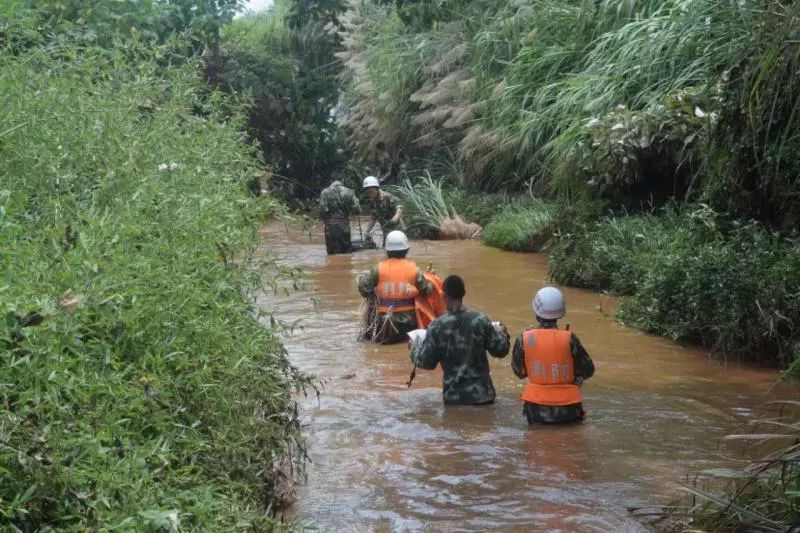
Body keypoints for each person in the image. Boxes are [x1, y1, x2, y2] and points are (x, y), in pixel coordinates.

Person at [410, 275, 510, 405]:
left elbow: (426, 362)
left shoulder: (437, 327)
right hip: (483, 396)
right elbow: (501, 351)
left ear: (443, 296)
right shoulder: (480, 320)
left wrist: (414, 347)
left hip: (454, 399)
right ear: (464, 293)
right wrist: (502, 332)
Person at [511, 286, 595, 424]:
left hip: (536, 409)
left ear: (536, 312)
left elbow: (519, 372)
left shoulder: (524, 338)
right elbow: (588, 370)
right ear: (561, 312)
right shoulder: (570, 338)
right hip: (568, 409)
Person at [357, 230, 432, 344]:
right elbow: (427, 291)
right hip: (408, 324)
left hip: (383, 324)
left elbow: (363, 289)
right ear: (406, 250)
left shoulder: (377, 269)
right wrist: (430, 279)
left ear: (387, 251)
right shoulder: (415, 270)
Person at [319, 178, 360, 255]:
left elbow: (322, 210)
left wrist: (324, 219)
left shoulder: (324, 192)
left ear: (331, 181)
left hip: (330, 227)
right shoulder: (350, 192)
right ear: (342, 180)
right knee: (347, 253)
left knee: (332, 254)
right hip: (344, 226)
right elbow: (357, 209)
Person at [362, 176, 404, 247]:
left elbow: (399, 207)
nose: (370, 195)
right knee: (386, 250)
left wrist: (396, 216)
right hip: (386, 231)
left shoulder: (387, 197)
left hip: (397, 229)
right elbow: (373, 218)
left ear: (377, 189)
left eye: (372, 192)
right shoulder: (372, 202)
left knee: (398, 249)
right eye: (368, 193)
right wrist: (367, 231)